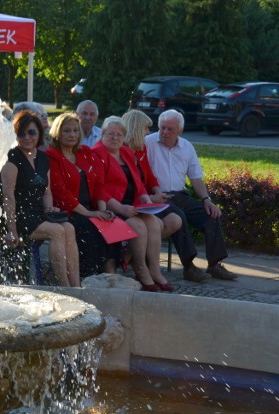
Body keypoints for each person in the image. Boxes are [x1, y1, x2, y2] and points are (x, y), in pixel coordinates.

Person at [146, 109, 237, 281]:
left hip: (180, 196)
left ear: (179, 131)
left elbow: (196, 178)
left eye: (170, 129)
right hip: (158, 197)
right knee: (178, 216)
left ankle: (214, 265)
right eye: (162, 128)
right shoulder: (148, 143)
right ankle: (189, 267)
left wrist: (207, 200)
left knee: (211, 215)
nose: (165, 132)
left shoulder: (187, 146)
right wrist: (151, 195)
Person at [0, 110, 80, 287]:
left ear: (39, 134)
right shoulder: (11, 157)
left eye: (32, 132)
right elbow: (8, 196)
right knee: (57, 231)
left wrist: (49, 209)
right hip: (17, 216)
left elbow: (47, 191)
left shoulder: (43, 158)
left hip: (37, 213)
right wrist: (11, 229)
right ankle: (65, 287)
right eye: (21, 133)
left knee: (68, 228)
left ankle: (76, 285)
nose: (27, 137)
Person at [93, 116, 172, 291]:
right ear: (103, 134)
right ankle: (141, 269)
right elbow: (98, 190)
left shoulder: (126, 152)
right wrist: (121, 208)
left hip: (133, 204)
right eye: (111, 134)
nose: (115, 138)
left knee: (153, 223)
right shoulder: (97, 153)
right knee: (140, 226)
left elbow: (138, 181)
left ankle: (154, 269)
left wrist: (145, 198)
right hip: (111, 206)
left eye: (119, 134)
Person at [46, 112, 117, 278]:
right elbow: (60, 192)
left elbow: (98, 183)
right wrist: (90, 213)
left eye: (75, 131)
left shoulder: (84, 152)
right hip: (68, 211)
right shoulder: (52, 155)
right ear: (57, 132)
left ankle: (109, 274)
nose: (72, 135)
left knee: (111, 224)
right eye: (67, 131)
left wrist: (102, 210)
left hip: (90, 208)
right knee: (89, 227)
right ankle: (88, 274)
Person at [122, 109, 186, 248]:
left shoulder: (140, 149)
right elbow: (129, 188)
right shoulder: (121, 152)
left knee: (177, 219)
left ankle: (130, 255)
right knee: (170, 218)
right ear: (136, 128)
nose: (148, 132)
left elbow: (149, 175)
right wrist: (150, 198)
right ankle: (135, 257)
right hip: (130, 204)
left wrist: (157, 191)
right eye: (145, 128)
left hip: (145, 200)